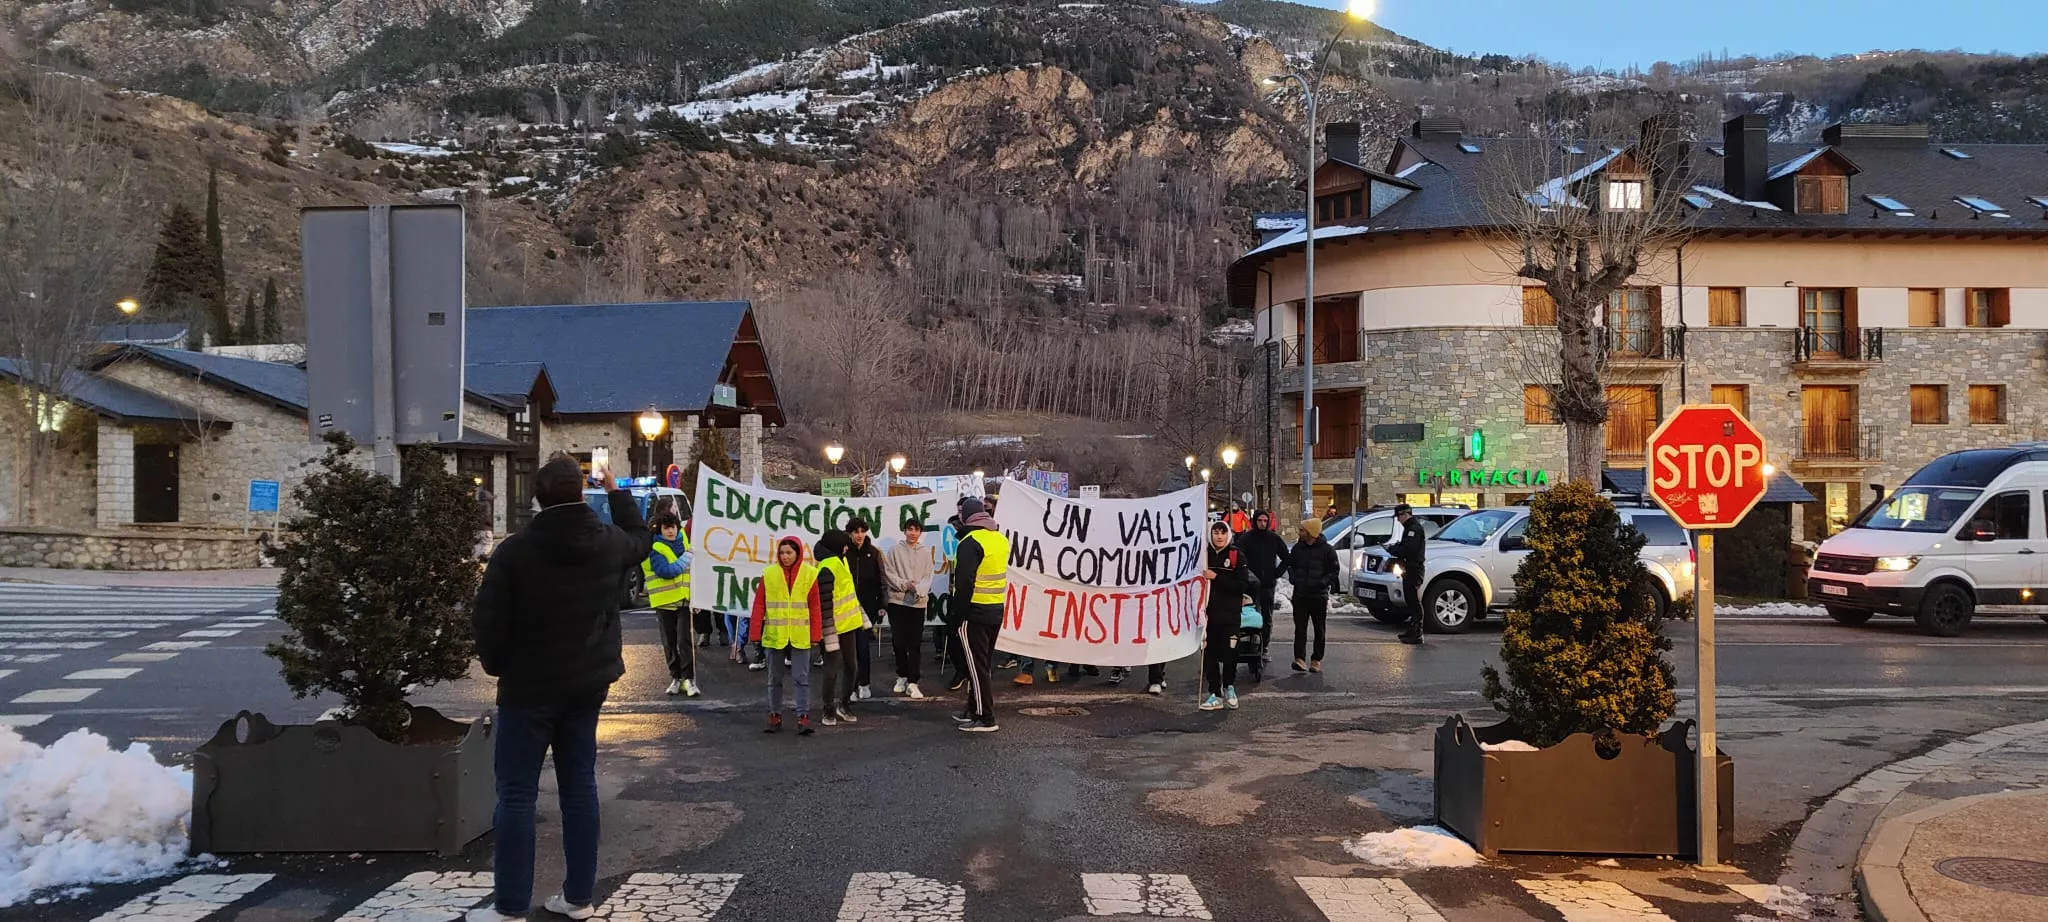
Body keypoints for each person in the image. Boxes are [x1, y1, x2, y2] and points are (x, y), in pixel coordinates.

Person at [468, 456, 648, 922]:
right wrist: (615, 490)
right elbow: (642, 540)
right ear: (582, 491)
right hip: (587, 683)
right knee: (579, 787)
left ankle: (509, 906)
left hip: (527, 687)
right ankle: (578, 896)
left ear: (537, 498)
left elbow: (487, 621)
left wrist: (497, 665)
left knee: (516, 794)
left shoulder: (516, 551)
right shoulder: (608, 543)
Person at [750, 536, 822, 736]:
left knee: (801, 678)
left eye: (789, 552)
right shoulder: (770, 574)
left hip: (800, 635)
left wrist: (815, 634)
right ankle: (774, 714)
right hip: (776, 634)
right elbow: (759, 605)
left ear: (797, 553)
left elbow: (815, 607)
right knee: (774, 678)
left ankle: (803, 717)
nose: (785, 556)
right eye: (782, 552)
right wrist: (755, 632)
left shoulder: (810, 574)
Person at [950, 497, 1007, 732]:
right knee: (981, 665)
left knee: (976, 667)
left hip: (974, 612)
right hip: (995, 609)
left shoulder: (970, 542)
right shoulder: (1001, 539)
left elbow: (964, 583)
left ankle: (985, 718)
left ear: (967, 518)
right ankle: (974, 710)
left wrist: (956, 616)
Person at [1199, 521, 1253, 711]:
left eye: (1223, 533)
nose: (1219, 536)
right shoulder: (1203, 555)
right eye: (1215, 533)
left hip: (1230, 615)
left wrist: (1217, 578)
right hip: (1209, 615)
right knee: (1210, 655)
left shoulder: (1237, 555)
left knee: (1231, 652)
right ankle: (1214, 693)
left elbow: (1241, 586)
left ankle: (1229, 686)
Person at [813, 530, 865, 725]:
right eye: (844, 544)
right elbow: (824, 603)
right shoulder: (827, 566)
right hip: (832, 628)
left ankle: (844, 704)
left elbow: (849, 594)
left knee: (852, 666)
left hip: (848, 625)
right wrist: (827, 633)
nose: (847, 547)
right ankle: (828, 709)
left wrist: (862, 620)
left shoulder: (840, 560)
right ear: (836, 546)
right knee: (831, 669)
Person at [643, 511, 697, 698]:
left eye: (673, 527)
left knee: (684, 641)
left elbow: (694, 573)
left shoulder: (685, 542)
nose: (670, 531)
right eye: (666, 528)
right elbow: (666, 571)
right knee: (670, 643)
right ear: (661, 529)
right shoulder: (655, 548)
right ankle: (676, 677)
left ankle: (688, 679)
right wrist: (686, 558)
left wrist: (696, 598)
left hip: (683, 601)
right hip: (665, 602)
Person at [884, 519, 937, 699]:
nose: (913, 533)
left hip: (918, 603)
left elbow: (929, 575)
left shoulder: (925, 553)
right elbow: (889, 573)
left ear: (920, 532)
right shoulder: (894, 551)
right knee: (899, 642)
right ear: (904, 531)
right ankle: (901, 675)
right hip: (897, 602)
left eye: (916, 530)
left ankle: (913, 681)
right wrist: (904, 584)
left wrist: (919, 589)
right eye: (910, 529)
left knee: (915, 643)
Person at [1286, 517, 1340, 674]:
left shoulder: (1327, 550)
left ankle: (1316, 660)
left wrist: (1322, 582)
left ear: (1311, 532)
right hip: (1301, 594)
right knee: (1300, 629)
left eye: (1303, 530)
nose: (1300, 532)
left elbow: (1334, 571)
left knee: (1319, 629)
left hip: (1318, 596)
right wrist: (1294, 578)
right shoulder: (1298, 548)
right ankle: (1299, 659)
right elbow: (1291, 565)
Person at [1234, 510, 1288, 662]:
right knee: (1249, 616)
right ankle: (1247, 645)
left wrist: (1276, 573)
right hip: (1249, 587)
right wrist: (1246, 575)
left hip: (1268, 585)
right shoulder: (1246, 538)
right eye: (1260, 521)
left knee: (1266, 617)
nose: (1262, 524)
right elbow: (1237, 556)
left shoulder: (1274, 538)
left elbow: (1286, 558)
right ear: (1254, 521)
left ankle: (1264, 648)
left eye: (1265, 521)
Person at [843, 518, 888, 700]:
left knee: (862, 647)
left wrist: (882, 605)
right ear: (850, 534)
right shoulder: (844, 553)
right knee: (849, 649)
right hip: (847, 607)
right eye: (856, 532)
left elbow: (882, 580)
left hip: (868, 607)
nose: (859, 535)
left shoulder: (874, 553)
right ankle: (851, 686)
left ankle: (864, 683)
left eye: (862, 531)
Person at [1388, 503, 1429, 646]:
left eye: (1399, 517)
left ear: (1405, 514)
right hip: (1409, 568)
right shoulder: (1410, 528)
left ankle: (1417, 632)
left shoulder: (1414, 529)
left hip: (1414, 569)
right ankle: (1413, 630)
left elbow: (1409, 549)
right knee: (1411, 600)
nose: (1398, 520)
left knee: (1414, 601)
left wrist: (1394, 550)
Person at [472, 477, 496, 559]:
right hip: (485, 528)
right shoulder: (487, 504)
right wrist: (490, 524)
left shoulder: (477, 504)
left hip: (477, 527)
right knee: (488, 543)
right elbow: (487, 515)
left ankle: (475, 556)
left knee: (479, 543)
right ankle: (483, 555)